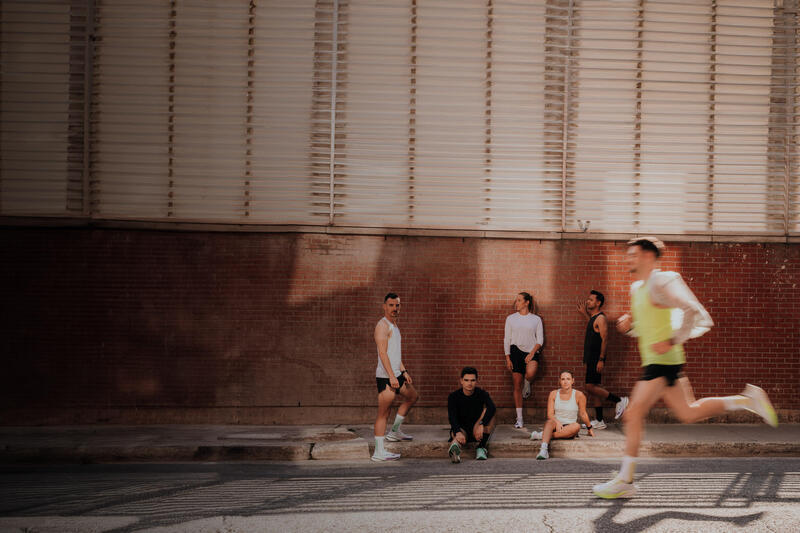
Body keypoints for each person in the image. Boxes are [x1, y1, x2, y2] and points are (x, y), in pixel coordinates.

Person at [593, 237, 778, 498]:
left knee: (633, 414)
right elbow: (646, 316)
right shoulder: (638, 287)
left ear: (648, 257)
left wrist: (671, 340)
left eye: (633, 254)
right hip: (661, 362)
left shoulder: (662, 281)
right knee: (688, 412)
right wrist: (629, 322)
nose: (628, 258)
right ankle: (746, 400)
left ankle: (626, 480)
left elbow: (690, 310)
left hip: (662, 362)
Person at [372, 292, 419, 462]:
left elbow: (394, 354)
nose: (394, 308)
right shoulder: (382, 326)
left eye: (397, 305)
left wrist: (403, 371)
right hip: (386, 377)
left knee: (412, 396)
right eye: (391, 305)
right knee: (384, 413)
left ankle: (394, 432)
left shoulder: (395, 326)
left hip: (397, 374)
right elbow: (383, 353)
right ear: (384, 306)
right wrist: (391, 376)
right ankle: (379, 452)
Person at [577, 289, 628, 429]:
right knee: (594, 388)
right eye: (588, 299)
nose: (588, 301)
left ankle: (619, 400)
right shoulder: (594, 318)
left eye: (591, 300)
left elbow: (605, 340)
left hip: (596, 358)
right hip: (590, 358)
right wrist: (585, 314)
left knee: (590, 387)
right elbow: (592, 327)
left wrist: (601, 359)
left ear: (598, 303)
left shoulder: (601, 318)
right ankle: (599, 421)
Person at [530, 370, 594, 459]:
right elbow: (550, 414)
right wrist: (557, 422)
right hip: (555, 425)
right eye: (563, 379)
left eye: (568, 379)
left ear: (573, 381)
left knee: (577, 426)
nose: (565, 381)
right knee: (549, 422)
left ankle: (543, 435)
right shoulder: (553, 394)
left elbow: (583, 413)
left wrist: (589, 428)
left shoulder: (579, 395)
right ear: (559, 381)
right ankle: (543, 450)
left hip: (570, 427)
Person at [504, 292, 544, 428]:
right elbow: (507, 339)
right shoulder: (510, 318)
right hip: (515, 351)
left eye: (519, 300)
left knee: (531, 373)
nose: (516, 303)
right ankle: (519, 418)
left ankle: (527, 382)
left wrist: (532, 353)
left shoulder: (536, 319)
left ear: (527, 302)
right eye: (516, 300)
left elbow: (540, 340)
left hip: (532, 351)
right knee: (516, 385)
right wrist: (508, 357)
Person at [447, 366, 497, 463]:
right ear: (461, 381)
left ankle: (481, 448)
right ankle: (455, 449)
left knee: (489, 411)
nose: (469, 383)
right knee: (456, 434)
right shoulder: (453, 396)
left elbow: (492, 408)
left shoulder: (481, 393)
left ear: (476, 381)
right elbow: (452, 416)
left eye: (472, 380)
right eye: (466, 380)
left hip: (477, 428)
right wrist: (457, 431)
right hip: (461, 429)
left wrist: (482, 424)